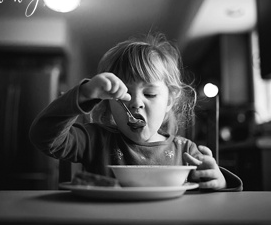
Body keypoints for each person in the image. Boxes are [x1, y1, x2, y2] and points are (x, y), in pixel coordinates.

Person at [29, 33, 241, 191]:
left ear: (169, 101)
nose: (136, 103)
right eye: (124, 94)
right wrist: (84, 94)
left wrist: (220, 182)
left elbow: (211, 202)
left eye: (150, 94)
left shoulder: (186, 152)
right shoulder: (95, 140)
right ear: (108, 102)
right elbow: (43, 137)